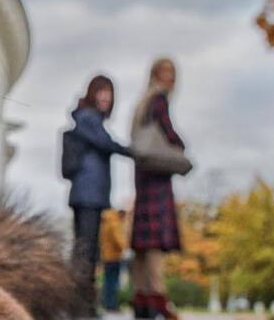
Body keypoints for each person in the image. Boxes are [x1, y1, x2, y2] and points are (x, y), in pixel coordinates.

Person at [67, 74, 131, 317]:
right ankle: (80, 306)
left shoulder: (91, 121)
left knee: (88, 249)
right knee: (85, 251)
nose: (106, 97)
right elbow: (106, 144)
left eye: (110, 92)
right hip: (88, 195)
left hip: (90, 195)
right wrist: (134, 152)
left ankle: (82, 304)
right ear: (93, 93)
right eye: (102, 91)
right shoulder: (87, 119)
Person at [130, 58, 185, 319]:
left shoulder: (141, 106)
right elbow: (169, 132)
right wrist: (179, 146)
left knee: (142, 245)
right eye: (167, 73)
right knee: (153, 244)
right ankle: (158, 298)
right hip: (157, 180)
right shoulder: (159, 100)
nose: (170, 79)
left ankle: (141, 296)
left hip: (143, 178)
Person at [100, 208, 128, 312]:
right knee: (113, 282)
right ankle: (111, 305)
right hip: (114, 257)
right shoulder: (115, 223)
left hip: (106, 256)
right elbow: (119, 240)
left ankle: (107, 303)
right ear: (121, 214)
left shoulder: (105, 222)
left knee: (108, 281)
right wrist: (126, 248)